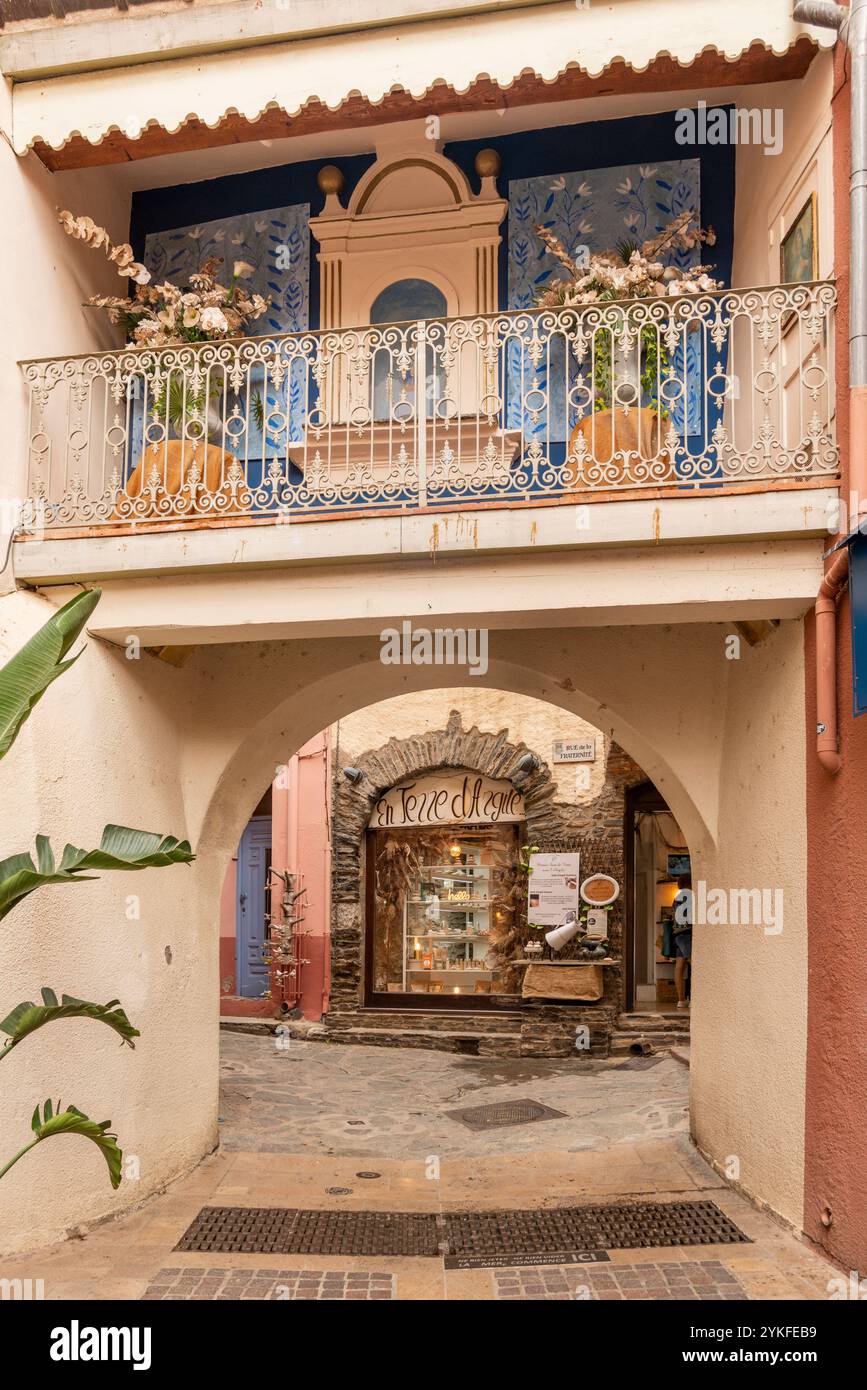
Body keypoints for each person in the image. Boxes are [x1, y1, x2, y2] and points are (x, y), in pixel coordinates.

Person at [671, 872, 693, 1009]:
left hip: (677, 934)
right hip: (687, 934)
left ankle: (681, 1000)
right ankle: (694, 998)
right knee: (695, 965)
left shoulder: (676, 897)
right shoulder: (690, 896)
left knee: (679, 968)